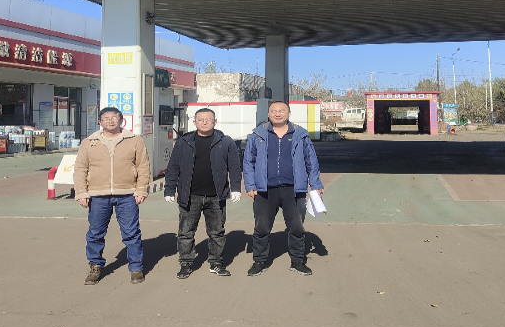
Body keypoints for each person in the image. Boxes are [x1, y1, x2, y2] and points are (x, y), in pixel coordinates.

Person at [243, 100, 323, 276]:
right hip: (265, 190)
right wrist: (250, 184)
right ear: (268, 113)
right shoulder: (258, 135)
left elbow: (311, 161)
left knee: (297, 227)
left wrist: (316, 184)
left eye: (281, 111)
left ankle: (297, 261)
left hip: (294, 189)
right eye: (274, 111)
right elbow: (248, 161)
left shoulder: (301, 135)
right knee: (261, 228)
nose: (277, 113)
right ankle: (259, 261)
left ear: (289, 113)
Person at [74, 106, 150, 285]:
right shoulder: (89, 142)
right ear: (100, 122)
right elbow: (80, 168)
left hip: (127, 194)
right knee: (95, 233)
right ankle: (95, 266)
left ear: (121, 120)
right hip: (98, 195)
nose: (110, 120)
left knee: (131, 233)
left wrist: (141, 189)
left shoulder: (134, 140)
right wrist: (81, 192)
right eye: (106, 118)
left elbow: (143, 166)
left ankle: (136, 268)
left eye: (114, 117)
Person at [164, 108, 242, 278]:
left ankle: (216, 263)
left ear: (215, 121)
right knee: (186, 232)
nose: (205, 122)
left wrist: (235, 187)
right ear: (195, 122)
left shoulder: (225, 142)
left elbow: (235, 167)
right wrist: (169, 189)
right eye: (201, 119)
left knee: (216, 232)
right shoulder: (184, 142)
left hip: (216, 196)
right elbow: (173, 167)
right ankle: (186, 263)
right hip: (189, 195)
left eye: (208, 119)